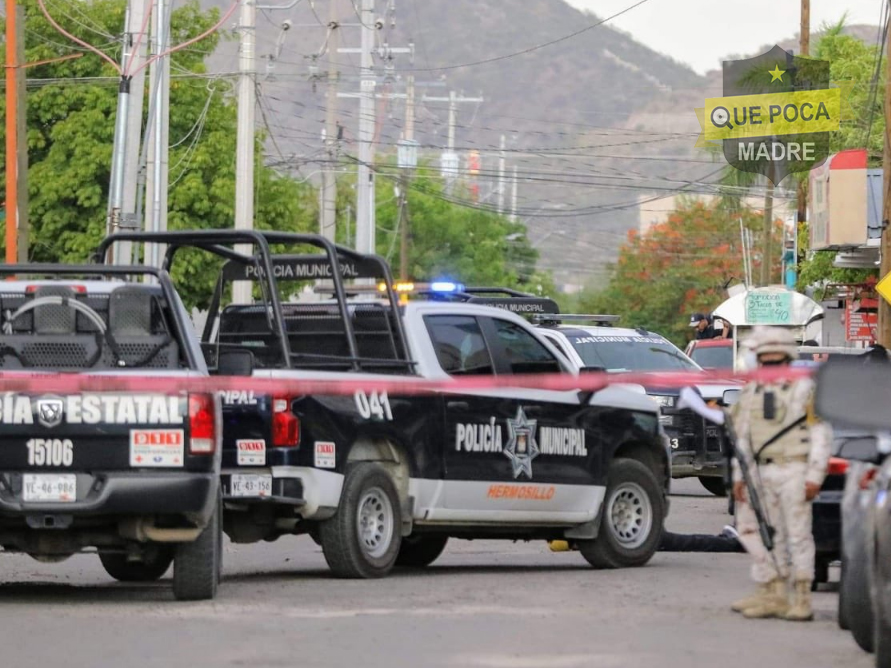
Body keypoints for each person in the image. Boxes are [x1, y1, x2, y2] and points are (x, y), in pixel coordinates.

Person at [729, 327, 831, 622]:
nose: (769, 360)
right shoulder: (752, 390)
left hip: (794, 468)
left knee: (797, 534)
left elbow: (820, 434)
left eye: (774, 356)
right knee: (760, 532)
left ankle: (801, 597)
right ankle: (771, 591)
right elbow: (743, 436)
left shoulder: (804, 389)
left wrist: (815, 475)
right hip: (761, 472)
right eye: (765, 356)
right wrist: (739, 476)